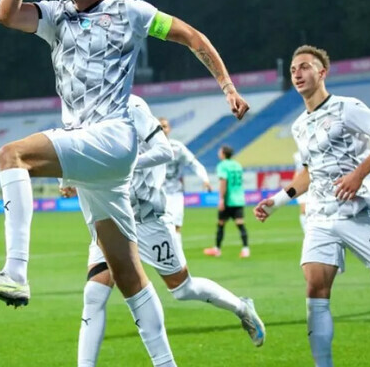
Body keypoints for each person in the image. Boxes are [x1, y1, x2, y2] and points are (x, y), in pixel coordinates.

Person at [0, 0, 249, 366]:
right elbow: (6, 15)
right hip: (95, 160)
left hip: (112, 137)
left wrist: (227, 86)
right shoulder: (56, 15)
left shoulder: (131, 12)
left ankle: (15, 272)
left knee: (10, 155)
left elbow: (191, 36)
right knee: (128, 276)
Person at [254, 45, 370, 367]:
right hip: (320, 218)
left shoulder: (347, 107)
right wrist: (277, 201)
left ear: (322, 73)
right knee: (315, 289)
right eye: (293, 69)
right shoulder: (299, 125)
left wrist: (357, 175)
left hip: (357, 214)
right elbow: (310, 172)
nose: (297, 73)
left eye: (304, 67)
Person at [74, 95, 264, 367]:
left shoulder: (133, 107)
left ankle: (241, 307)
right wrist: (68, 178)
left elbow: (163, 153)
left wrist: (123, 165)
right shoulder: (87, 111)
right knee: (94, 294)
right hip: (110, 217)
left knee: (182, 289)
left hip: (148, 218)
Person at [158, 117, 212, 259]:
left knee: (176, 227)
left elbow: (194, 163)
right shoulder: (148, 148)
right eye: (159, 127)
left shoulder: (177, 147)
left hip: (175, 193)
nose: (162, 129)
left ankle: (179, 259)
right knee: (162, 228)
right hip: (157, 194)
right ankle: (166, 257)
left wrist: (205, 179)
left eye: (164, 126)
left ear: (169, 129)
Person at [204, 145, 249, 258]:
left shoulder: (222, 165)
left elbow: (223, 181)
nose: (218, 153)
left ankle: (217, 249)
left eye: (220, 152)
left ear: (223, 154)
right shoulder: (237, 165)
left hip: (228, 199)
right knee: (240, 224)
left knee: (221, 224)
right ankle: (245, 250)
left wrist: (221, 199)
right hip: (239, 198)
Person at [293, 151, 308, 232]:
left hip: (312, 184)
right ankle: (306, 233)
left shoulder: (310, 151)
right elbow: (297, 171)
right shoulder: (296, 155)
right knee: (303, 210)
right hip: (301, 185)